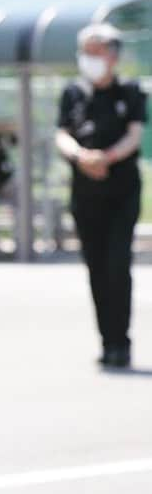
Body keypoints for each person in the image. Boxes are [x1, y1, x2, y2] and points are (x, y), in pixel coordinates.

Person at [55, 23, 147, 369]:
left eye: (96, 51)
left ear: (112, 55)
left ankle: (121, 342)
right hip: (85, 192)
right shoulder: (73, 93)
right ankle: (106, 340)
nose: (90, 59)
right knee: (95, 267)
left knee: (117, 265)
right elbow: (62, 134)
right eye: (86, 51)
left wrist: (106, 158)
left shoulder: (130, 91)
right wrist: (82, 157)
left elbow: (134, 136)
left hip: (122, 191)